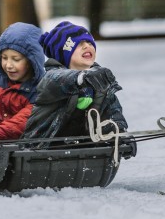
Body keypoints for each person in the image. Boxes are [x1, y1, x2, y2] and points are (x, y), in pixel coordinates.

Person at [22, 21, 133, 155]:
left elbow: (112, 113)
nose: (87, 46)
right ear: (63, 54)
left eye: (90, 43)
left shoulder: (98, 81)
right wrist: (80, 78)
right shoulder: (51, 78)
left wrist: (120, 135)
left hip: (84, 151)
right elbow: (60, 79)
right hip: (40, 151)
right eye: (79, 44)